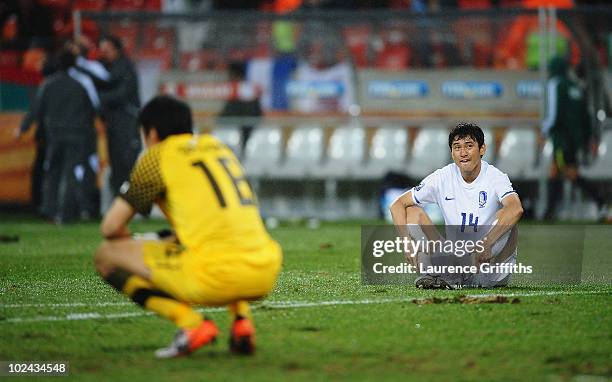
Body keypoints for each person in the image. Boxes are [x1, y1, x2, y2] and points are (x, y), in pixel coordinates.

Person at [93, 95, 283, 358]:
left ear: (152, 133)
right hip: (266, 270)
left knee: (106, 255)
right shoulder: (218, 147)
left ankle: (192, 325)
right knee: (216, 241)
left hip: (215, 277)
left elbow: (110, 227)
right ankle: (242, 323)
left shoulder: (156, 157)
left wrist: (140, 243)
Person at [389, 122, 524, 289]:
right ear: (452, 153)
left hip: (489, 265)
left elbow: (516, 208)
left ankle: (442, 274)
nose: (463, 153)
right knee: (411, 212)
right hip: (455, 256)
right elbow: (397, 204)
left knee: (507, 217)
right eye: (457, 147)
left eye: (469, 146)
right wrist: (407, 244)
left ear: (482, 149)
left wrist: (487, 242)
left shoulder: (496, 177)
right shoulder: (442, 177)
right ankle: (441, 273)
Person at [22, 47, 100, 223]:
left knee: (52, 171)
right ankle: (66, 213)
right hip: (76, 136)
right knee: (70, 173)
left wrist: (23, 128)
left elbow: (36, 109)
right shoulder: (79, 86)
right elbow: (91, 111)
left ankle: (49, 210)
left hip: (54, 136)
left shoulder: (48, 84)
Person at [76, 35, 142, 198]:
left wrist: (96, 97)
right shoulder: (107, 67)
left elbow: (120, 94)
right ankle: (121, 202)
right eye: (102, 50)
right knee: (117, 165)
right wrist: (81, 54)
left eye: (107, 50)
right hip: (113, 125)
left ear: (117, 50)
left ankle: (134, 203)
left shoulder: (125, 68)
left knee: (127, 164)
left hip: (127, 124)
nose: (104, 54)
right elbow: (96, 74)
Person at [541, 56, 606, 220]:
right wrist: (588, 139)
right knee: (557, 170)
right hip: (575, 140)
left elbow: (554, 113)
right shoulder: (576, 86)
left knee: (566, 172)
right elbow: (587, 116)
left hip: (561, 138)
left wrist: (545, 130)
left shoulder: (556, 84)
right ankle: (549, 213)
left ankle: (600, 200)